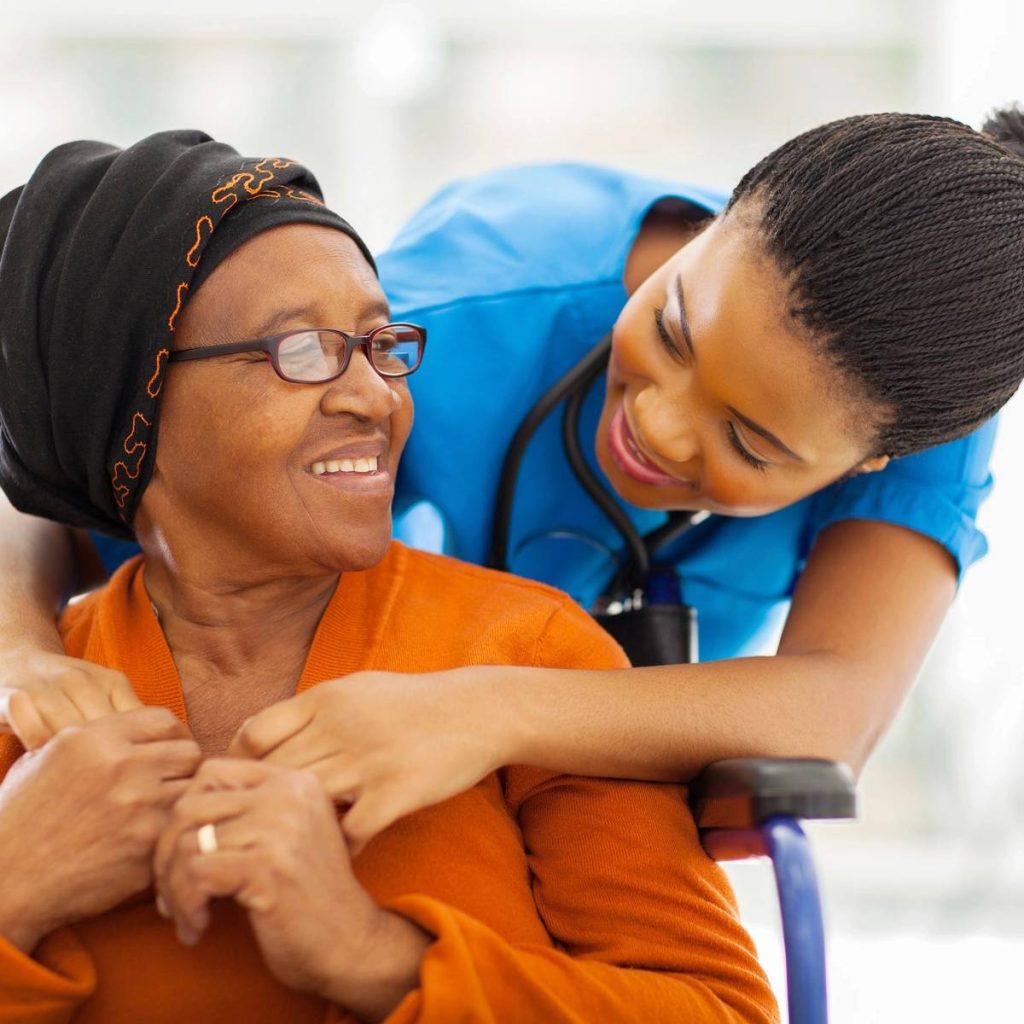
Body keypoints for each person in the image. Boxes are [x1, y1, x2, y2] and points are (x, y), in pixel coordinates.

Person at [2, 111, 1024, 850]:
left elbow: (831, 709)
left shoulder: (913, 387)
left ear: (876, 454)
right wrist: (18, 647)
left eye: (751, 443)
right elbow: (77, 483)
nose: (655, 426)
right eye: (671, 328)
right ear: (716, 223)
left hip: (563, 793)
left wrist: (482, 708)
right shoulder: (463, 313)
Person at [0, 131, 776, 1022]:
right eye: (299, 351)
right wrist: (13, 884)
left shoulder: (530, 652)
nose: (376, 396)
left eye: (380, 344)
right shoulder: (27, 709)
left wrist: (367, 955)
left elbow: (718, 1009)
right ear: (129, 403)